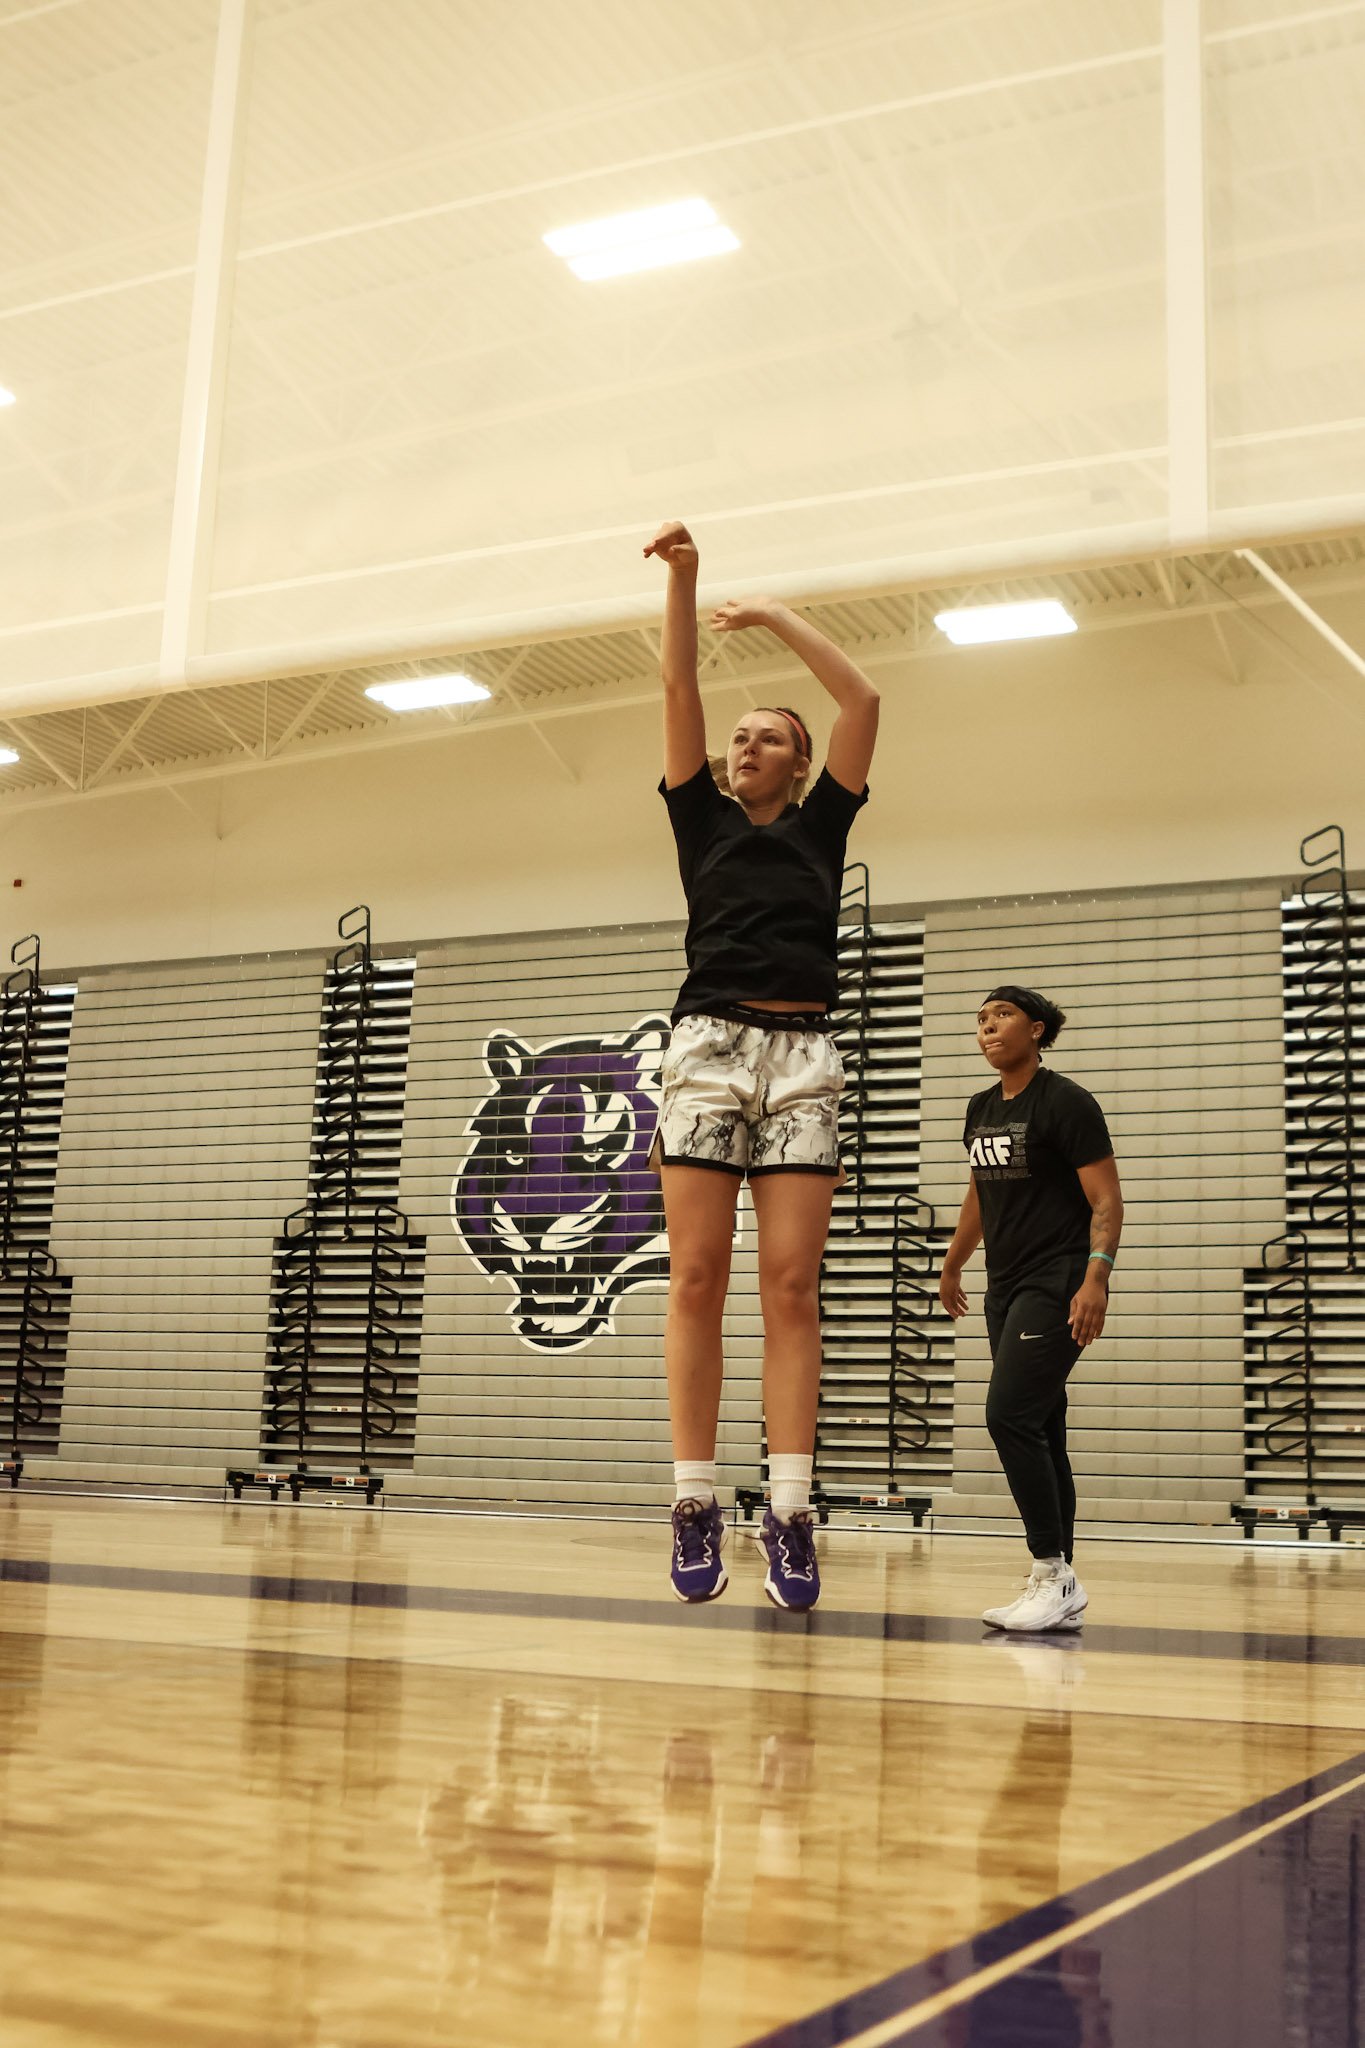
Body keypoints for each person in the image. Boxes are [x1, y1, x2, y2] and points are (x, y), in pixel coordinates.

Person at [643, 518, 879, 1611]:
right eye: (738, 737)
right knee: (698, 1275)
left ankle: (789, 1508)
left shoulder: (823, 826)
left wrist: (777, 613)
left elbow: (863, 702)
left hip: (804, 1053)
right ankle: (695, 1499)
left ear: (797, 758)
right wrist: (688, 581)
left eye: (769, 736)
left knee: (792, 1286)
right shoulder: (701, 817)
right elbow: (680, 684)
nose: (746, 746)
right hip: (706, 1047)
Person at [937, 987, 1123, 1632]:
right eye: (981, 1020)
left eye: (1002, 1016)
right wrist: (954, 1260)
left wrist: (1096, 1277)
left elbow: (1106, 1200)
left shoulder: (1066, 1102)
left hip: (1059, 1279)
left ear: (1037, 1030)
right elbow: (978, 1195)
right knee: (1042, 1428)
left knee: (1008, 1415)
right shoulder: (981, 1107)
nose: (988, 1028)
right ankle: (1060, 1582)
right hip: (1005, 1285)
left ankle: (1050, 1572)